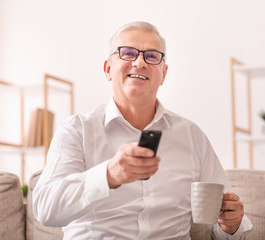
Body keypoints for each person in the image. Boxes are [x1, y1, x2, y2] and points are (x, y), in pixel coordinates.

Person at [33, 21, 253, 239]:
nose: (139, 62)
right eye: (127, 53)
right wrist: (108, 175)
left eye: (152, 56)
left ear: (163, 74)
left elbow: (223, 219)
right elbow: (45, 209)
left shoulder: (192, 136)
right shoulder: (76, 130)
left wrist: (230, 226)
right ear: (108, 69)